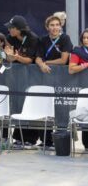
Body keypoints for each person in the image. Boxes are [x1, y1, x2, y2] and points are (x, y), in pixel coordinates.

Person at [35, 15, 73, 148]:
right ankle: (47, 140)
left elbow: (63, 60)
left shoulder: (65, 38)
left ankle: (62, 138)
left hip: (62, 79)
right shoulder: (42, 39)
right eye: (52, 25)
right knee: (45, 107)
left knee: (60, 107)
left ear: (60, 26)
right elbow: (37, 57)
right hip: (46, 78)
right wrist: (41, 65)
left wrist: (46, 62)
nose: (55, 27)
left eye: (57, 24)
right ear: (47, 27)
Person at [4, 15, 39, 148]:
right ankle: (18, 137)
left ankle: (31, 138)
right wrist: (10, 56)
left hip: (31, 75)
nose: (9, 30)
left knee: (29, 104)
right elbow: (8, 55)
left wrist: (16, 57)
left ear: (19, 29)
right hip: (15, 75)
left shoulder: (32, 39)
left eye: (11, 28)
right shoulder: (9, 38)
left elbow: (30, 60)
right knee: (17, 103)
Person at [69, 29, 88, 150]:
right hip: (83, 88)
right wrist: (86, 65)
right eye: (84, 38)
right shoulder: (77, 52)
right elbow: (71, 69)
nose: (86, 40)